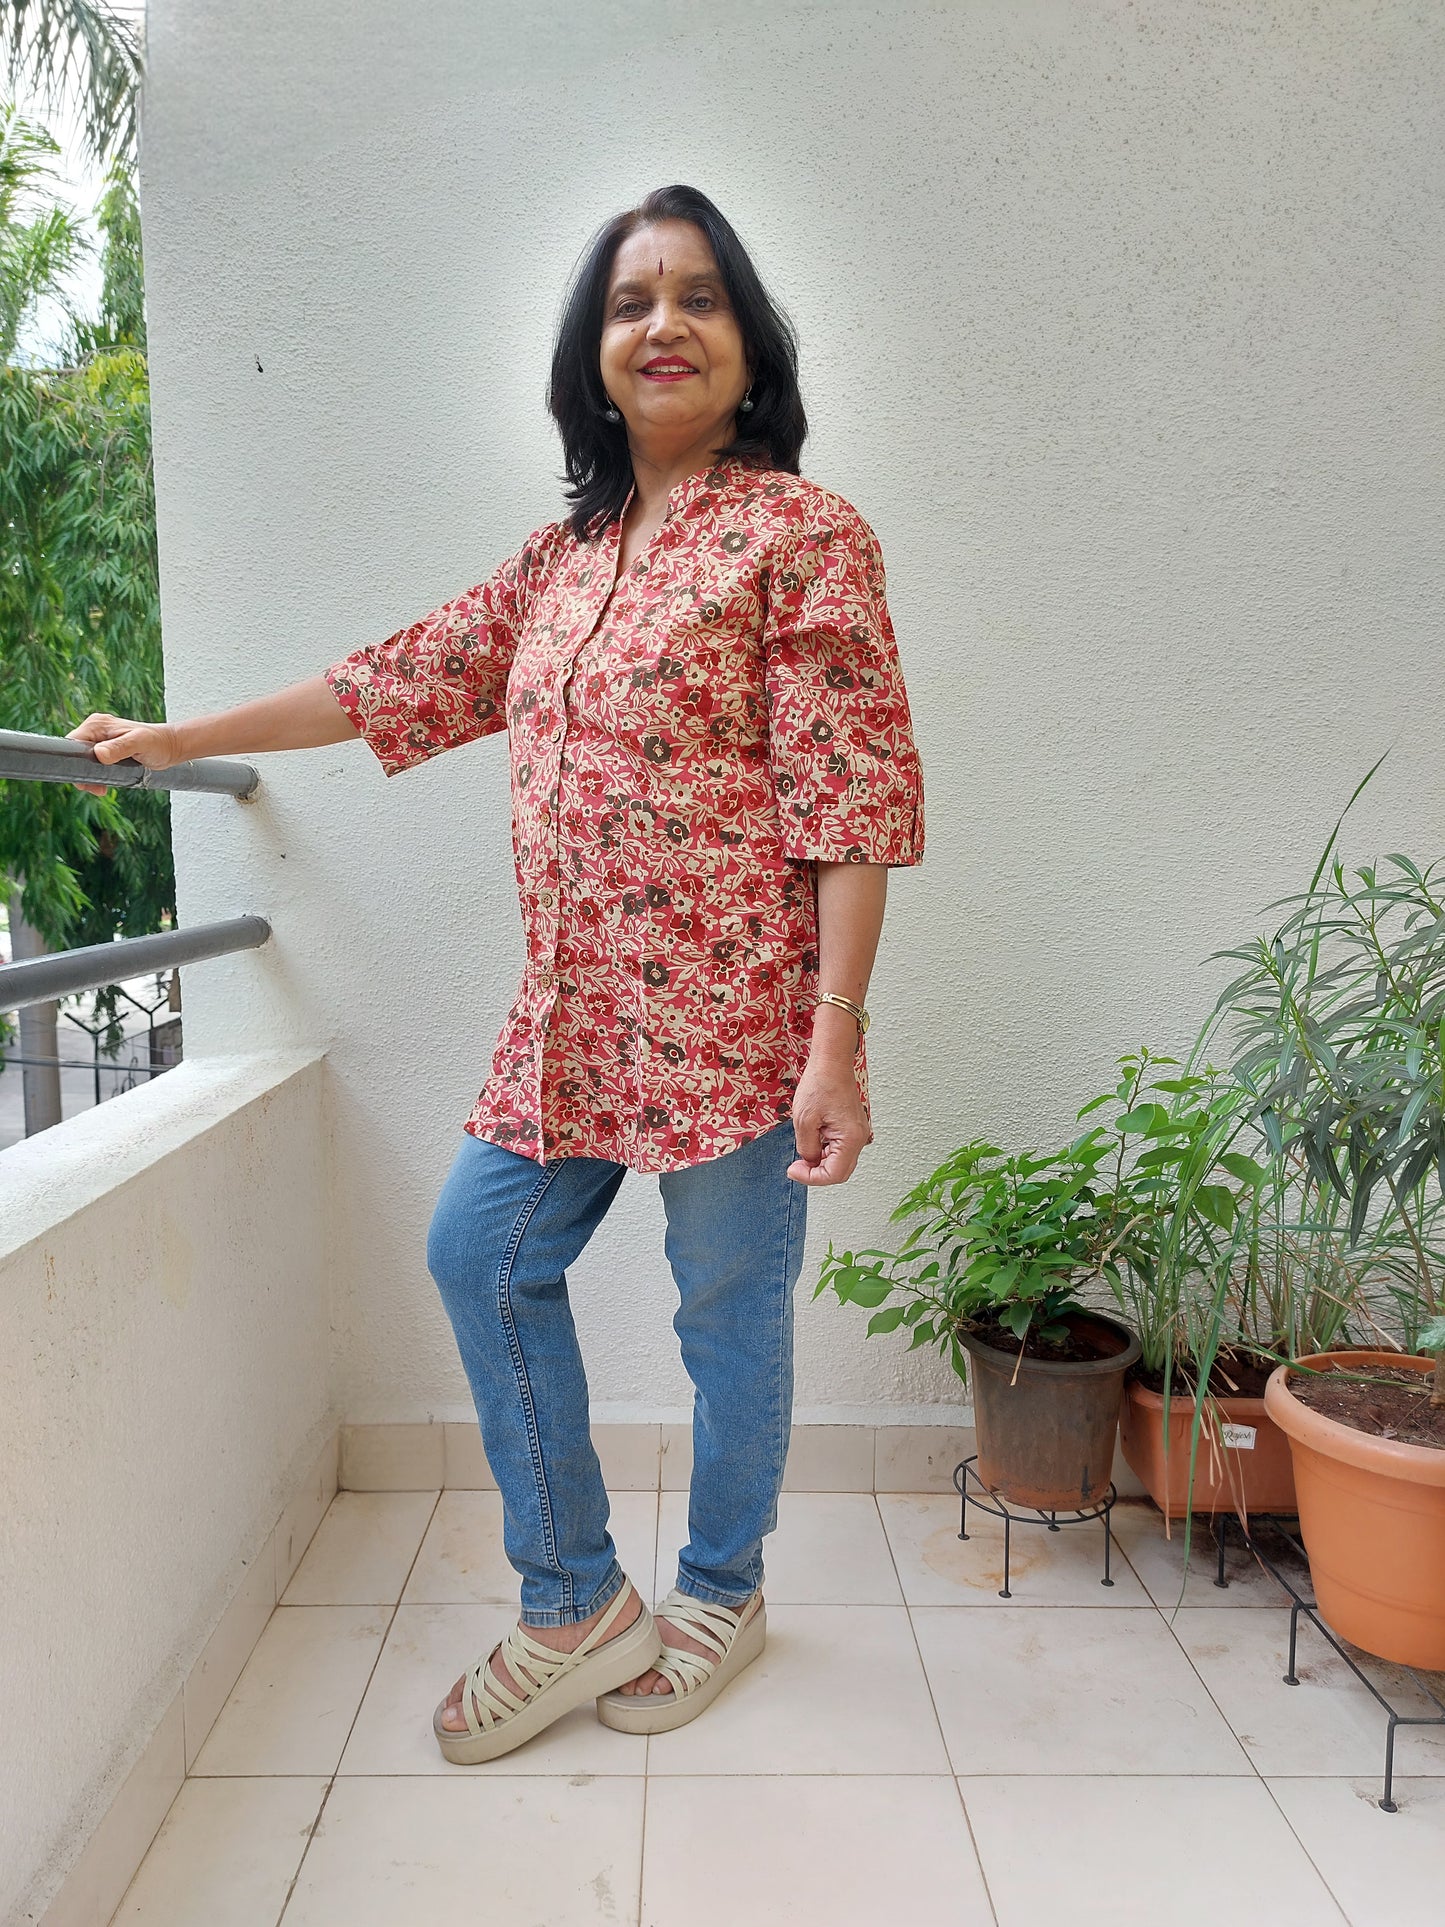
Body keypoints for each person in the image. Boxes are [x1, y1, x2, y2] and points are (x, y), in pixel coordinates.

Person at [68, 184, 924, 1764]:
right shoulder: (562, 559)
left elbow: (850, 804)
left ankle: (719, 1593)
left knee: (728, 1318)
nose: (660, 325)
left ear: (748, 342)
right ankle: (579, 1601)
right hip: (574, 1022)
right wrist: (181, 739)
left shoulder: (799, 535)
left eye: (696, 298)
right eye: (627, 304)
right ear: (590, 356)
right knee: (482, 1254)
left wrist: (836, 1042)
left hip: (737, 1020)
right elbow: (391, 679)